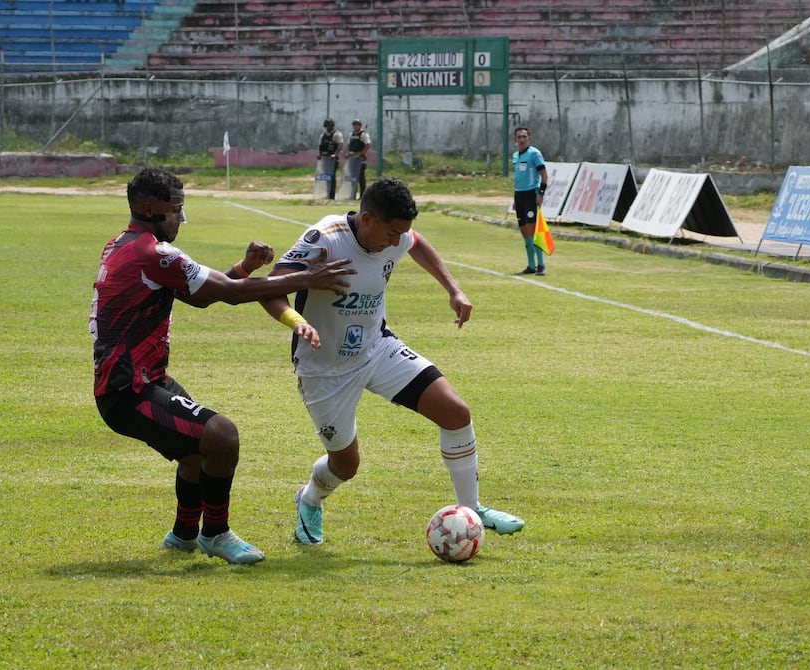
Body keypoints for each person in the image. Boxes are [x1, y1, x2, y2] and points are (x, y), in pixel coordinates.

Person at [89, 168, 353, 565]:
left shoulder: (123, 246)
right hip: (130, 391)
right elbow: (227, 295)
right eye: (176, 209)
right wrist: (305, 278)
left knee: (198, 450)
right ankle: (215, 533)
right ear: (149, 208)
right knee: (222, 435)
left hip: (139, 382)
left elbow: (202, 295)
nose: (181, 217)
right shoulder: (154, 253)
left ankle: (182, 535)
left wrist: (244, 269)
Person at [258, 177, 525, 547]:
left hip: (376, 349)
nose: (398, 241)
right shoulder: (325, 238)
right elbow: (270, 286)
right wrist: (298, 320)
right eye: (393, 232)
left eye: (404, 232)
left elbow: (417, 244)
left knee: (455, 412)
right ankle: (310, 499)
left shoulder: (397, 237)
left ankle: (471, 510)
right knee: (346, 466)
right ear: (367, 219)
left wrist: (454, 288)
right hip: (324, 368)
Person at [512, 126, 549, 276]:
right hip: (519, 195)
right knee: (524, 230)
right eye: (519, 137)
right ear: (515, 140)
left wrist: (540, 194)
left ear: (529, 138)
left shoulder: (535, 154)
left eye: (524, 136)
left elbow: (544, 175)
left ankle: (541, 264)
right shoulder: (515, 156)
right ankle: (531, 265)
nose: (521, 139)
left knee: (533, 229)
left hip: (530, 194)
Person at [317, 119, 344, 199]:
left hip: (332, 160)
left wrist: (335, 154)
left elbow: (340, 144)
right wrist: (319, 154)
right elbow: (320, 145)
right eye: (327, 126)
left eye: (329, 126)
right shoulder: (323, 135)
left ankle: (332, 195)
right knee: (325, 177)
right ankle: (327, 193)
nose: (328, 127)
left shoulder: (337, 134)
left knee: (332, 176)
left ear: (332, 126)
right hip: (324, 159)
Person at [347, 119, 372, 199]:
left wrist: (360, 154)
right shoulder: (351, 134)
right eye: (354, 125)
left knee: (361, 178)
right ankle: (353, 195)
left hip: (360, 159)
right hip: (352, 159)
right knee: (353, 178)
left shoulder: (364, 134)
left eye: (357, 125)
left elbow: (368, 145)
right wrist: (348, 153)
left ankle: (362, 196)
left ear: (360, 126)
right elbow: (349, 145)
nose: (355, 126)